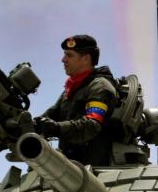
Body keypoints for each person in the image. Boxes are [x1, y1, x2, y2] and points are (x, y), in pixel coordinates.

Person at [34, 34, 121, 166]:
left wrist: (57, 128)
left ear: (86, 59)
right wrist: (14, 129)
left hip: (93, 171)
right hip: (70, 170)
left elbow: (92, 125)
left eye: (69, 55)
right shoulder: (72, 90)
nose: (63, 60)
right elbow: (45, 120)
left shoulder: (100, 87)